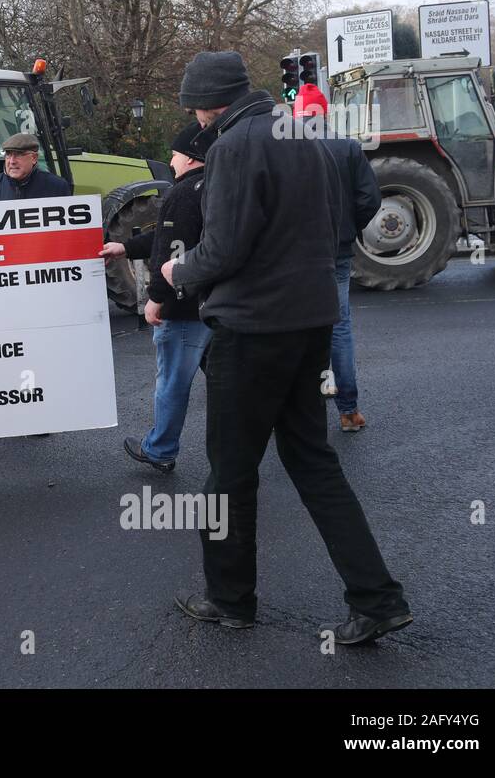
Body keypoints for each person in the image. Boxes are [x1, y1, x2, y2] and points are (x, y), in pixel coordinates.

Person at [162, 51, 412, 646]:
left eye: (193, 107)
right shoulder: (303, 134)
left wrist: (177, 270)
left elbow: (223, 251)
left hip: (250, 331)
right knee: (313, 461)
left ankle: (230, 601)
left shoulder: (230, 148)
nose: (194, 119)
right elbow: (342, 221)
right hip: (313, 321)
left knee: (229, 472)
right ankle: (377, 599)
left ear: (206, 104)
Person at [100, 119, 216, 473]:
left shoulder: (182, 193)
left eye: (176, 153)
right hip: (215, 304)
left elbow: (172, 251)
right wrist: (126, 246)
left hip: (183, 309)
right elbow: (172, 239)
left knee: (172, 383)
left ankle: (161, 448)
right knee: (231, 378)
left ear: (192, 157)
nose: (171, 159)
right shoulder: (217, 189)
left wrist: (158, 298)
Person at [293, 83, 381, 433]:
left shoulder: (287, 151)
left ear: (298, 116)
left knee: (296, 328)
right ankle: (348, 412)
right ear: (326, 113)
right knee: (339, 326)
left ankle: (295, 413)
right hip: (338, 250)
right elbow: (369, 198)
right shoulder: (347, 147)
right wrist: (348, 228)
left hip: (296, 252)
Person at [0, 133, 73, 201]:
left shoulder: (57, 186)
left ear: (34, 158)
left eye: (19, 154)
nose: (12, 161)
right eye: (8, 155)